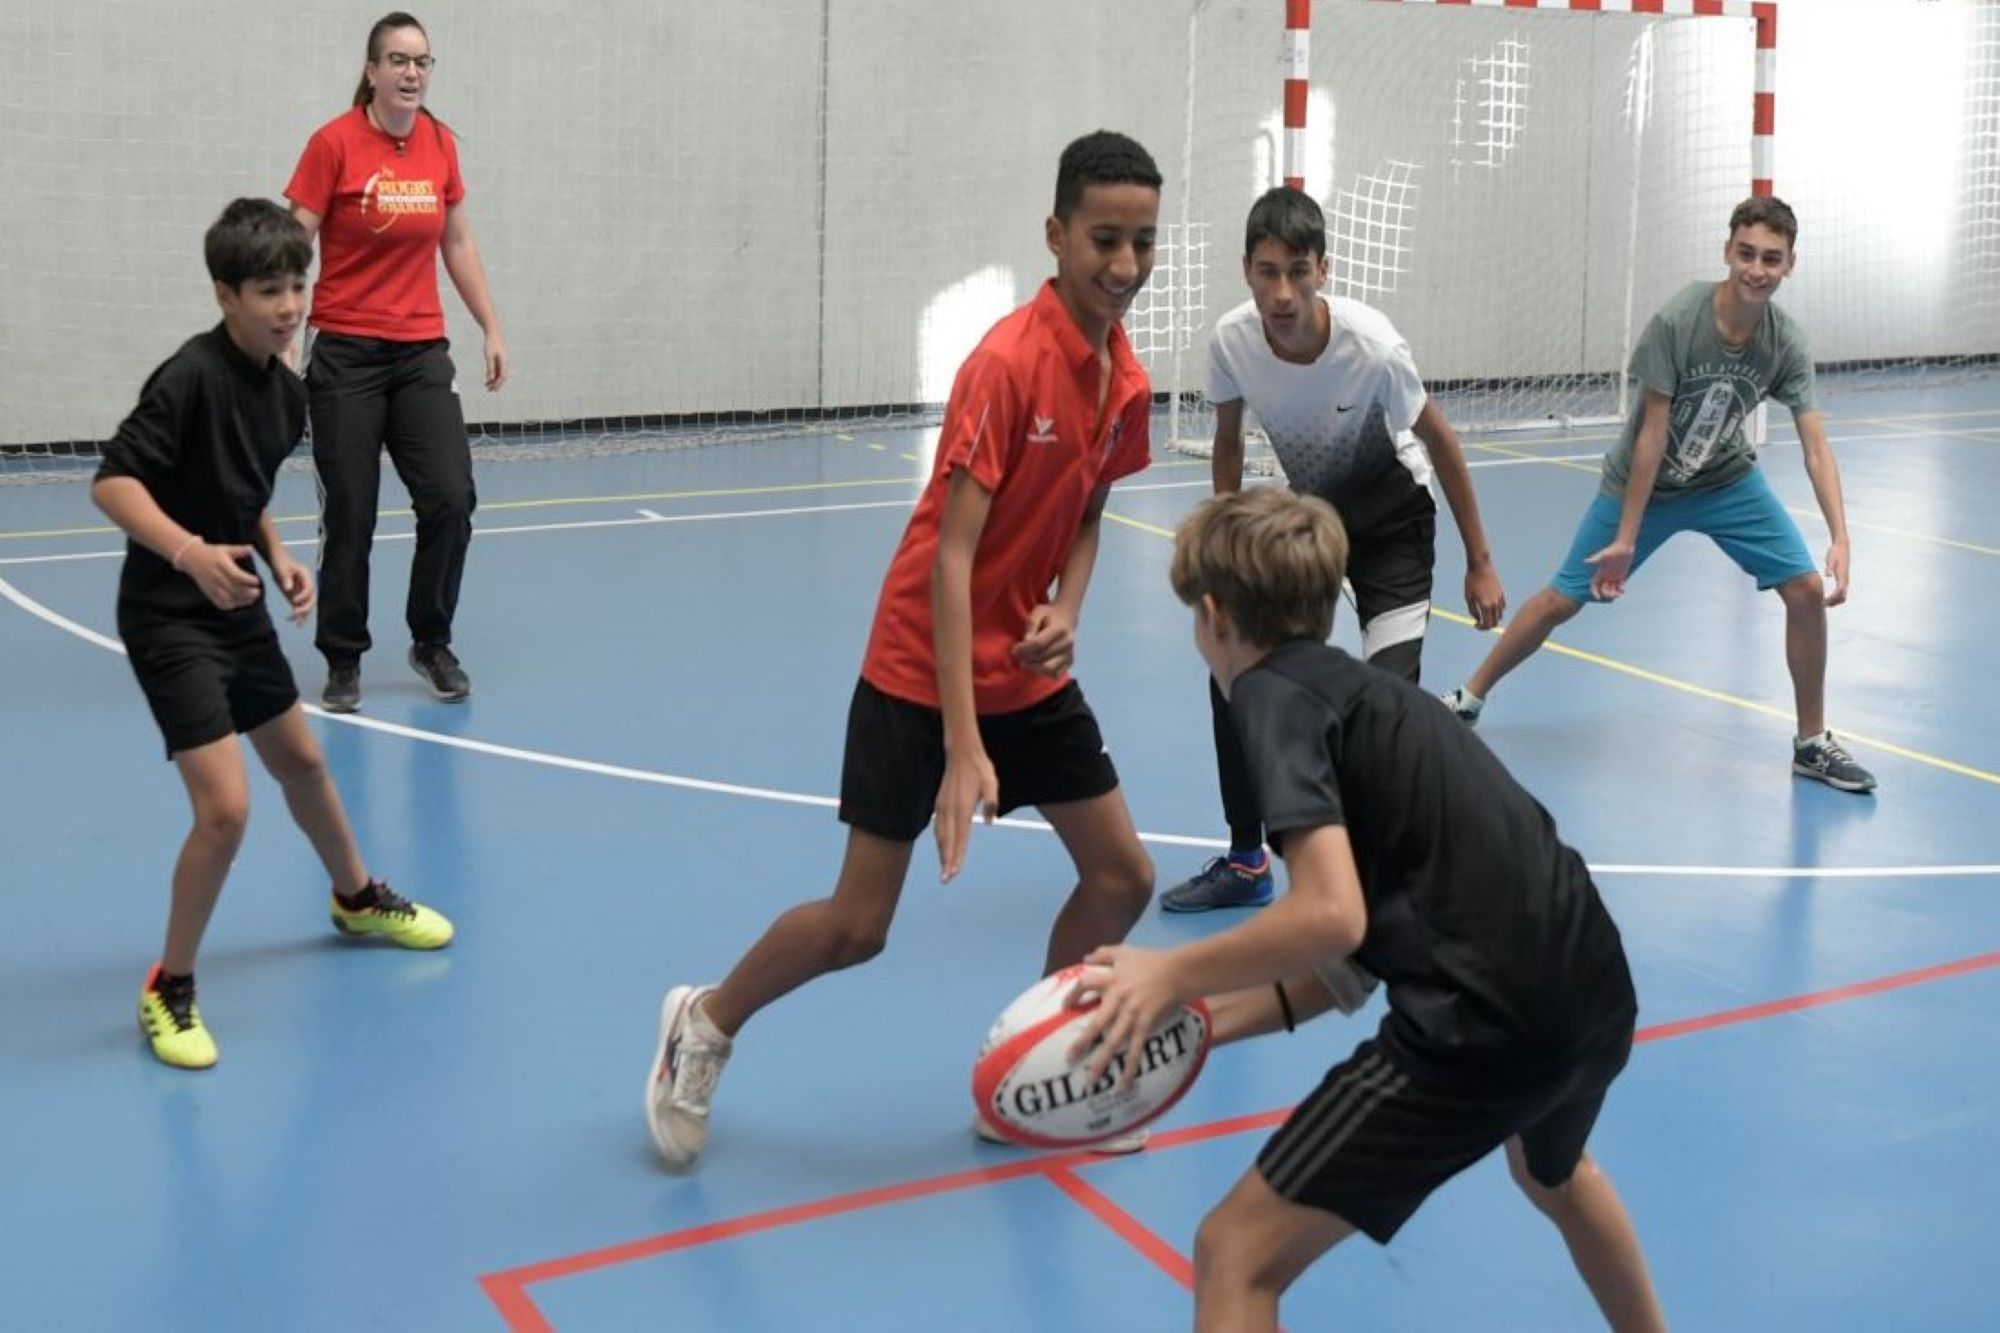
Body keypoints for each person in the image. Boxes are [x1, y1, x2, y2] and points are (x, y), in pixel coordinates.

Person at [644, 130, 1164, 1171]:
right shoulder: (1005, 364)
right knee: (856, 925)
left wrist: (1069, 604)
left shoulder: (1123, 379)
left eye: (1143, 242)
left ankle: (1036, 1081)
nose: (1124, 264)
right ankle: (702, 1020)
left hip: (1024, 665)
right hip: (920, 670)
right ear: (1056, 234)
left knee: (1119, 877)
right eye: (1104, 238)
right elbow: (950, 557)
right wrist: (964, 744)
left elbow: (1090, 510)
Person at [1074, 488, 1665, 1331]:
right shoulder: (1372, 699)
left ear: (1211, 616)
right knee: (1552, 1175)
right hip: (1594, 993)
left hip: (1483, 1026)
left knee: (1234, 1252)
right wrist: (1201, 1022)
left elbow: (1329, 915)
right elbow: (1352, 956)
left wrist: (1166, 972)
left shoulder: (1269, 700)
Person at [92, 199, 454, 1071]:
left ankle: (356, 896)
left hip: (238, 600)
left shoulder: (286, 392)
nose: (290, 305)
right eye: (268, 290)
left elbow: (241, 484)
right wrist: (186, 553)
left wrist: (280, 555)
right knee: (225, 811)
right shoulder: (188, 376)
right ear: (225, 294)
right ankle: (168, 985)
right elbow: (112, 482)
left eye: (298, 285)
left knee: (303, 761)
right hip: (168, 615)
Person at [1439, 196, 1875, 794]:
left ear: (1789, 265)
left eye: (1771, 259)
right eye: (1746, 253)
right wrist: (1625, 537)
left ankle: (1811, 743)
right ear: (1728, 251)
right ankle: (1469, 696)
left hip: (1726, 480)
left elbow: (1817, 447)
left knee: (1803, 589)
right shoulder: (1678, 321)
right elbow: (1652, 433)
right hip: (1642, 485)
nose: (1756, 269)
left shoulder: (1786, 343)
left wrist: (1841, 537)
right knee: (1563, 599)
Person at [1160, 187, 1505, 914]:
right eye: (1265, 272)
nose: (1281, 292)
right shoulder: (1231, 341)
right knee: (1234, 664)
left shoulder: (1373, 345)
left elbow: (1439, 439)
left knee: (1385, 702)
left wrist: (1479, 559)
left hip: (1394, 526)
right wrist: (1225, 546)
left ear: (1324, 269)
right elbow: (1227, 441)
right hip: (1308, 525)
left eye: (1297, 272)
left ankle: (1390, 858)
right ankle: (1248, 857)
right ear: (1245, 270)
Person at [284, 10, 507, 713]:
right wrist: (284, 324)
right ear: (372, 70)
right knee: (350, 509)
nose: (412, 72)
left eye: (422, 61)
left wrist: (490, 327)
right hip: (345, 353)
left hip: (419, 354)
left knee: (450, 496)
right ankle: (343, 655)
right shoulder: (334, 144)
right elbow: (295, 237)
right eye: (398, 60)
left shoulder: (440, 144)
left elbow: (458, 242)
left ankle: (430, 639)